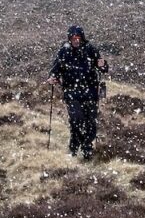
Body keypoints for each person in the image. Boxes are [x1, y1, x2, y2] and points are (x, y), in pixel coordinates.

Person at [46, 25, 108, 160]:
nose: (76, 40)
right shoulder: (64, 51)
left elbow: (103, 68)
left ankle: (86, 149)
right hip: (71, 93)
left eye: (78, 37)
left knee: (90, 122)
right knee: (77, 120)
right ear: (69, 38)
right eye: (73, 38)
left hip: (90, 93)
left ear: (82, 38)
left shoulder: (91, 49)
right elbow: (56, 69)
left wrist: (103, 65)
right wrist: (53, 77)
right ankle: (74, 148)